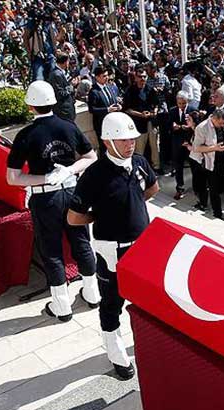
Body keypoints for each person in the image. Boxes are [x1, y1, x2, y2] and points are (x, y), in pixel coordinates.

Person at [67, 112, 160, 380]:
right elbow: (73, 217)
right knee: (112, 303)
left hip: (141, 245)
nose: (130, 144)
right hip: (112, 250)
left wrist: (131, 207)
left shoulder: (139, 162)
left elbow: (152, 188)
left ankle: (147, 342)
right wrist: (99, 215)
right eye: (124, 140)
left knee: (146, 299)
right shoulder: (94, 175)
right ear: (107, 141)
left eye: (132, 139)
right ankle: (116, 351)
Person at [5, 81, 99, 322]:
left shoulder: (26, 135)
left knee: (52, 250)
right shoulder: (68, 126)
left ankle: (62, 306)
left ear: (30, 105)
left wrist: (46, 178)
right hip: (73, 192)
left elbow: (13, 178)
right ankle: (92, 294)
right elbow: (91, 157)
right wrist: (69, 170)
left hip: (46, 197)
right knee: (82, 243)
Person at [123, 70, 162, 171]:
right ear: (136, 78)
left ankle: (156, 167)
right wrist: (140, 114)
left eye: (144, 77)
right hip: (138, 124)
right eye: (140, 77)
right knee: (139, 149)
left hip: (151, 122)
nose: (142, 79)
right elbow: (127, 109)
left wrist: (154, 112)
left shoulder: (150, 89)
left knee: (155, 146)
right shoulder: (130, 91)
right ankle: (139, 169)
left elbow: (156, 104)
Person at [168, 91, 194, 200]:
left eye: (184, 103)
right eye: (179, 103)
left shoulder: (193, 110)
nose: (182, 106)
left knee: (194, 165)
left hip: (190, 142)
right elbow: (168, 125)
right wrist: (173, 126)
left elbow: (196, 126)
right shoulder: (172, 111)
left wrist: (188, 127)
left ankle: (197, 187)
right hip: (177, 143)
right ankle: (180, 188)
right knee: (178, 166)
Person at [88, 67, 121, 147]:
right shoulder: (94, 92)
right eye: (104, 76)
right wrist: (107, 109)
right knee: (106, 148)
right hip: (102, 125)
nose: (107, 78)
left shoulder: (109, 87)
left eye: (107, 75)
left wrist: (118, 105)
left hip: (113, 123)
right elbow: (92, 109)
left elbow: (113, 100)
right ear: (97, 77)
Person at [47, 51, 77, 122]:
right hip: (63, 111)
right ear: (66, 62)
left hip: (67, 110)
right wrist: (71, 86)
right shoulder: (56, 74)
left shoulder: (60, 72)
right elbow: (60, 93)